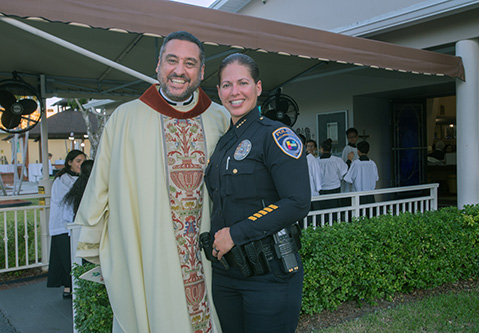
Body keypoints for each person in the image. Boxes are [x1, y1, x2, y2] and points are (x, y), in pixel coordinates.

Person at [75, 31, 230, 332]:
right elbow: (101, 184)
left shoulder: (219, 118)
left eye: (189, 63)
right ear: (158, 65)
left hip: (209, 258)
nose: (179, 71)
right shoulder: (124, 118)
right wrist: (98, 250)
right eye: (172, 60)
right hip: (148, 254)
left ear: (201, 71)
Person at [205, 53, 310, 332]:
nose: (234, 91)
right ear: (219, 92)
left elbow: (298, 202)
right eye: (227, 85)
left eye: (243, 82)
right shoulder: (222, 144)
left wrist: (235, 234)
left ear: (258, 87)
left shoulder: (275, 136)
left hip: (269, 274)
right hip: (227, 273)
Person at [47, 149, 86, 299]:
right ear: (69, 162)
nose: (80, 165)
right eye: (78, 161)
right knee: (66, 258)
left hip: (75, 224)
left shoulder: (80, 178)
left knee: (71, 256)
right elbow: (67, 202)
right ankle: (71, 287)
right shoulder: (62, 180)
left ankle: (70, 286)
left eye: (83, 162)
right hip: (63, 225)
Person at [318, 140, 348, 211]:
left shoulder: (316, 161)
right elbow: (344, 171)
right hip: (335, 188)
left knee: (323, 211)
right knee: (334, 211)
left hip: (322, 188)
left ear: (321, 149)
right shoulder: (337, 160)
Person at [341, 128, 359, 193]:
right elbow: (344, 165)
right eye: (350, 137)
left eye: (353, 137)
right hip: (349, 178)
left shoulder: (357, 149)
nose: (352, 139)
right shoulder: (347, 149)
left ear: (357, 137)